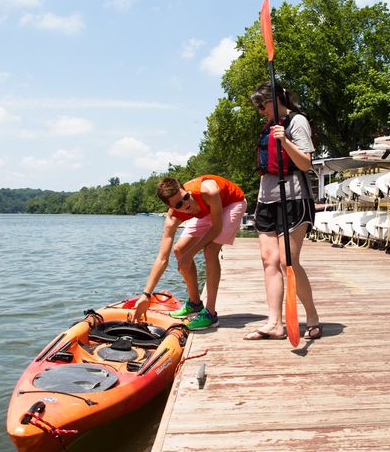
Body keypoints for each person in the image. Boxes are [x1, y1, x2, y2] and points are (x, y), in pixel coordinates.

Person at [244, 81, 321, 341]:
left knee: (288, 261)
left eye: (262, 105)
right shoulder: (269, 126)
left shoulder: (297, 122)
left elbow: (305, 163)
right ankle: (275, 323)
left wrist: (285, 140)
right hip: (267, 199)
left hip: (294, 198)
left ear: (277, 100)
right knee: (269, 260)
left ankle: (311, 316)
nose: (260, 111)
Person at [133, 175, 246, 330]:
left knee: (210, 250)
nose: (186, 204)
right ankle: (195, 303)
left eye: (186, 197)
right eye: (179, 204)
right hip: (206, 211)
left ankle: (210, 315)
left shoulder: (208, 191)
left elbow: (216, 228)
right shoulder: (173, 218)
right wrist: (146, 295)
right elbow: (162, 258)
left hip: (231, 204)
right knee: (179, 249)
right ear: (171, 207)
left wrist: (190, 254)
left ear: (186, 191)